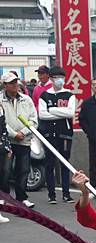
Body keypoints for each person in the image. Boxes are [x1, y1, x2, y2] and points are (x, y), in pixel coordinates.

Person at [37, 66, 76, 204]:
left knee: (65, 163)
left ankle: (66, 194)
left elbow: (70, 113)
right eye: (56, 77)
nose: (59, 80)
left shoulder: (69, 95)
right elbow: (42, 115)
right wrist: (60, 112)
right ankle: (51, 195)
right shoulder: (44, 95)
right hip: (48, 135)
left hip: (65, 134)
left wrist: (52, 109)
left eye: (61, 77)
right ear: (51, 79)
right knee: (49, 164)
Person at [0, 72, 37, 208]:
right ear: (5, 85)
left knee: (23, 169)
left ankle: (21, 197)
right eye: (11, 82)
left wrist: (23, 132)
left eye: (16, 81)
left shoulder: (26, 99)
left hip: (24, 140)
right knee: (5, 170)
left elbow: (33, 120)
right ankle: (4, 197)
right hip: (7, 141)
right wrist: (14, 134)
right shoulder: (0, 99)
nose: (15, 85)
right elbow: (1, 122)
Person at [0, 100, 12, 223]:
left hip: (2, 147)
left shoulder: (1, 108)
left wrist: (7, 146)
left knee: (3, 176)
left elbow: (4, 130)